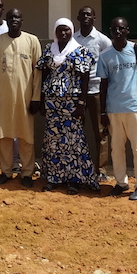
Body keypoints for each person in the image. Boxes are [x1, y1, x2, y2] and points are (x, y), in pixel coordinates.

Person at [36, 18, 99, 193]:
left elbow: (85, 78)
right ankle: (54, 178)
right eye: (60, 30)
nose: (63, 33)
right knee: (53, 140)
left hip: (72, 103)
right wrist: (42, 100)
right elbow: (44, 74)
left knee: (73, 141)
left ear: (72, 31)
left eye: (66, 30)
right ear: (55, 32)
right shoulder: (49, 49)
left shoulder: (79, 51)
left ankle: (74, 179)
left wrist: (81, 103)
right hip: (52, 103)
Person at [97, 17, 137, 201]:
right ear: (110, 31)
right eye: (114, 29)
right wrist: (103, 111)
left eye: (121, 28)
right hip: (114, 109)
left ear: (127, 30)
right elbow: (103, 86)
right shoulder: (105, 56)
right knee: (116, 148)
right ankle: (121, 183)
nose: (118, 32)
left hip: (134, 107)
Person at [0, 8, 42, 188]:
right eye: (11, 18)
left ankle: (27, 172)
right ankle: (6, 171)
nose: (14, 20)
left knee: (26, 136)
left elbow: (37, 72)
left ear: (22, 20)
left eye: (17, 17)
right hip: (3, 97)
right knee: (4, 135)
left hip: (25, 98)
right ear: (6, 20)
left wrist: (36, 98)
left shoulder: (32, 41)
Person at [74, 5, 113, 180]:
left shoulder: (102, 40)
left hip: (96, 90)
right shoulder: (73, 38)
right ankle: (77, 168)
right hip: (76, 92)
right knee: (76, 132)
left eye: (89, 15)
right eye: (83, 15)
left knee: (101, 132)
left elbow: (109, 63)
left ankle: (101, 170)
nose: (86, 17)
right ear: (78, 18)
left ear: (94, 18)